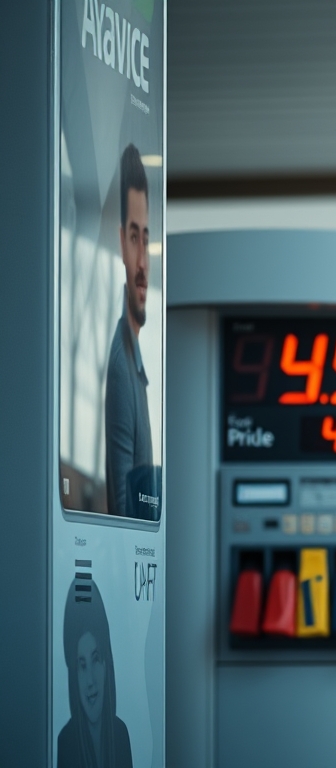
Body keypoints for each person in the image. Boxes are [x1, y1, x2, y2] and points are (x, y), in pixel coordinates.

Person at [104, 144, 155, 519]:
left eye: (147, 239)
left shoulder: (135, 363)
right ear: (121, 243)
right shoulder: (123, 369)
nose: (143, 264)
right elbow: (124, 515)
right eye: (134, 238)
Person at [58, 577, 134, 768]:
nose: (90, 681)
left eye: (95, 659)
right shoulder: (66, 742)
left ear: (106, 663)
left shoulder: (120, 734)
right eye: (82, 665)